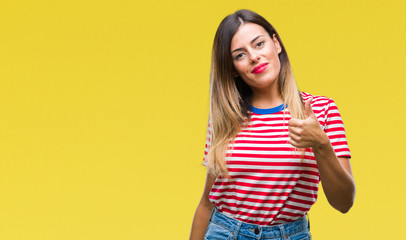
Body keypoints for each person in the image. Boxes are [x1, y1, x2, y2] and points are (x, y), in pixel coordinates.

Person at [189, 9, 355, 240]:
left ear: (276, 44)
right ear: (233, 70)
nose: (254, 57)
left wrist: (321, 145)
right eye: (240, 55)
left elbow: (344, 202)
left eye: (259, 44)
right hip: (224, 233)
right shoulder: (226, 118)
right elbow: (207, 202)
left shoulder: (321, 111)